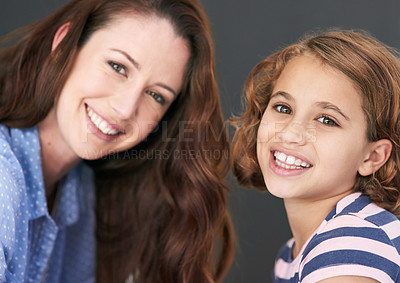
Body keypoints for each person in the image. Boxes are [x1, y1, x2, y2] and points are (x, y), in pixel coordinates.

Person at [0, 0, 234, 282]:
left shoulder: (79, 192)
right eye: (117, 66)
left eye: (156, 95)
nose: (125, 109)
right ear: (64, 44)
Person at [231, 30, 400, 282]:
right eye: (283, 108)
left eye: (326, 120)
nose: (290, 133)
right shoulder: (295, 252)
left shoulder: (352, 245)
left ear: (372, 157)